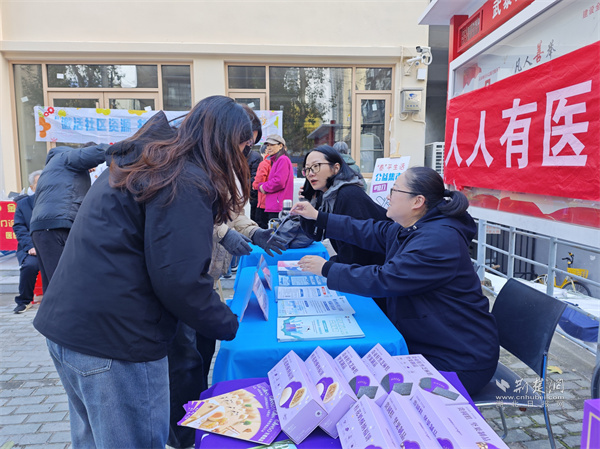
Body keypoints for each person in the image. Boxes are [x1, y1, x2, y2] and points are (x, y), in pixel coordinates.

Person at [33, 96, 249, 448]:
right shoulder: (182, 178)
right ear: (226, 142)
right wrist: (230, 325)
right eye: (244, 147)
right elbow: (180, 279)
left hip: (71, 328)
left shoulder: (147, 159)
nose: (244, 157)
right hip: (116, 341)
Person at [292, 166, 500, 395]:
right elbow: (368, 230)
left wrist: (327, 269)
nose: (388, 196)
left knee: (362, 385)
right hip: (430, 341)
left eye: (395, 190)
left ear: (417, 201)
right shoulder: (412, 228)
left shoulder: (438, 239)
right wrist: (318, 217)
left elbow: (385, 279)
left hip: (458, 358)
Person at [30, 142, 107, 291]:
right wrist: (128, 147)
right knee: (63, 285)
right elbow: (101, 151)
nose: (92, 169)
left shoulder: (56, 168)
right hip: (56, 226)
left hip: (43, 229)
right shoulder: (66, 157)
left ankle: (51, 307)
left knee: (52, 286)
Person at [12, 170, 42, 314]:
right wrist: (30, 246)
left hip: (54, 245)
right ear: (32, 187)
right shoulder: (23, 204)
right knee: (30, 266)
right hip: (33, 247)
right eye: (38, 183)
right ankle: (24, 301)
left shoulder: (57, 202)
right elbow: (19, 227)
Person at [257, 134, 293, 224]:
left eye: (272, 145)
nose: (269, 147)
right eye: (268, 145)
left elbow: (279, 182)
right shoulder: (277, 160)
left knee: (275, 231)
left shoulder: (282, 159)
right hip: (276, 205)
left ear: (281, 146)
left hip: (277, 206)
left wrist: (263, 187)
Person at [241, 105, 263, 222]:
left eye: (251, 143)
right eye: (247, 141)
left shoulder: (255, 157)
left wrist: (253, 230)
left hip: (252, 194)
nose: (247, 146)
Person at [253, 144, 272, 229]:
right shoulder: (277, 162)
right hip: (274, 203)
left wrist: (254, 185)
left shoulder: (264, 163)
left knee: (261, 226)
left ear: (264, 152)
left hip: (263, 201)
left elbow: (259, 180)